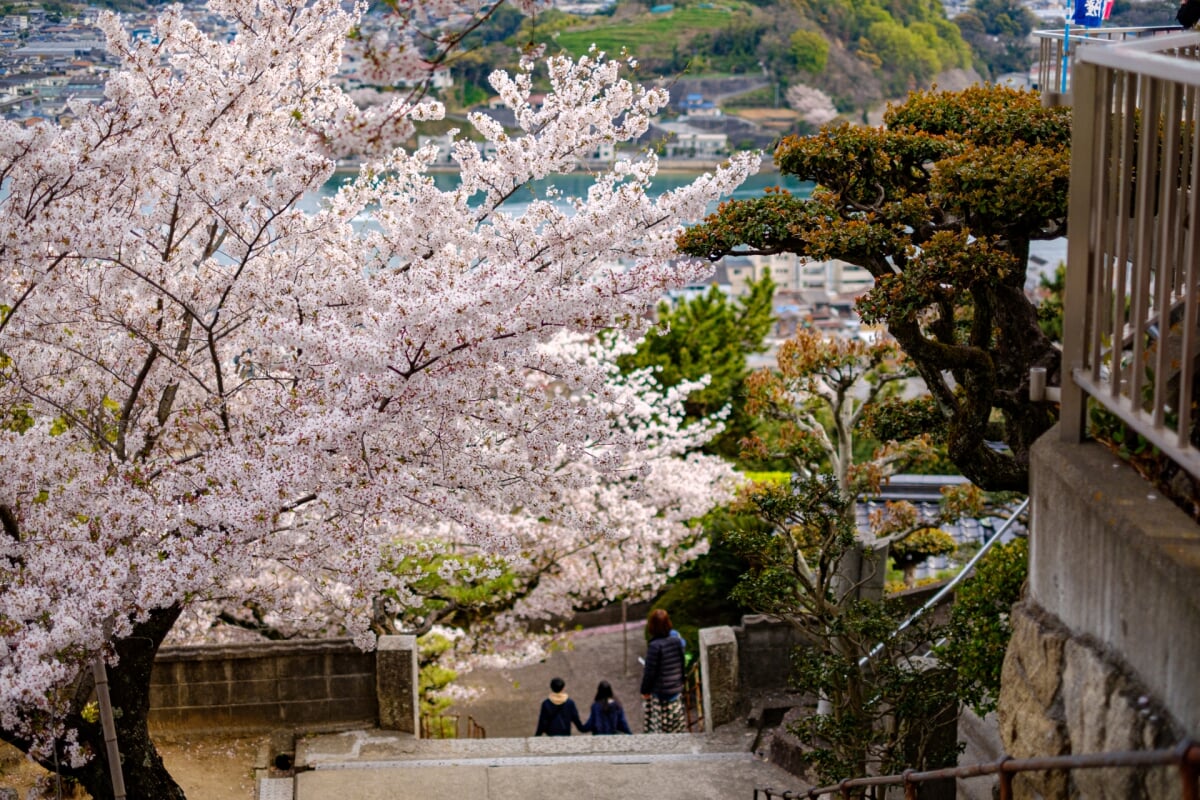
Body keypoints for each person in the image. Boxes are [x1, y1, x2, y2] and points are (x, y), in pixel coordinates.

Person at [639, 608, 687, 733]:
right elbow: (682, 663)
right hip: (676, 688)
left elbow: (649, 672)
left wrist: (644, 691)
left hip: (660, 692)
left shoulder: (655, 646)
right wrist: (682, 681)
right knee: (677, 723)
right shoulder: (677, 641)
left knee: (659, 726)